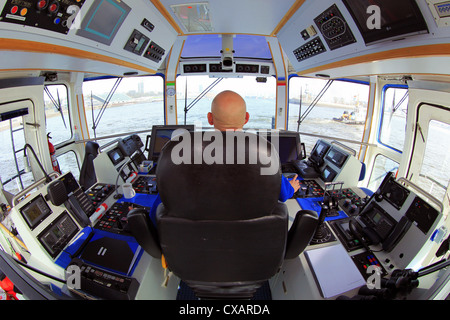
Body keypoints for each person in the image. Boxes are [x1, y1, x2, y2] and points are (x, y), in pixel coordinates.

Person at [207, 90, 300, 201]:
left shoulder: (190, 151)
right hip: (252, 216)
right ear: (246, 118)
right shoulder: (262, 151)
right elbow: (283, 195)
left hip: (204, 216)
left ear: (210, 118)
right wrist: (291, 188)